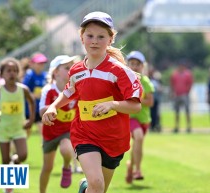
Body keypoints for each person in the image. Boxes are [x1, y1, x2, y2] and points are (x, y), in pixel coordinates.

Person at [42, 11, 142, 193]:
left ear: (110, 39)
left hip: (114, 140)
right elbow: (68, 92)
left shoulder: (119, 71)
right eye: (90, 35)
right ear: (82, 38)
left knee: (98, 189)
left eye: (101, 36)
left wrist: (112, 105)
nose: (94, 41)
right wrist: (53, 107)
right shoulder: (76, 71)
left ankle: (84, 189)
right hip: (85, 134)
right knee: (97, 184)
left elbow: (136, 106)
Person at [0, 57, 35, 193]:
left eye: (15, 70)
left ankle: (15, 161)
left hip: (18, 128)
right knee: (4, 159)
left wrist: (31, 120)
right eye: (8, 71)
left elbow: (32, 102)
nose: (12, 73)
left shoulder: (23, 89)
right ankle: (8, 187)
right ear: (2, 74)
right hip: (3, 128)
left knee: (23, 155)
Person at [39, 55, 78, 193]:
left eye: (71, 67)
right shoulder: (48, 90)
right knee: (47, 167)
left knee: (66, 149)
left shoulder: (76, 89)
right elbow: (41, 111)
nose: (70, 70)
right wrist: (52, 108)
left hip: (67, 131)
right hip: (49, 133)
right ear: (56, 72)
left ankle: (67, 166)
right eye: (66, 68)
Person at [125, 51, 154, 184]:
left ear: (142, 66)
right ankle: (137, 170)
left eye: (137, 64)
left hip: (144, 118)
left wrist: (137, 100)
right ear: (127, 65)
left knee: (137, 143)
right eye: (132, 64)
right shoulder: (124, 81)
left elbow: (150, 102)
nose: (134, 67)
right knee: (139, 137)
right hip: (130, 117)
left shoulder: (146, 82)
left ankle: (130, 167)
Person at [22, 52, 48, 137]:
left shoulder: (45, 76)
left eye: (43, 63)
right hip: (28, 110)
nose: (41, 65)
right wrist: (35, 95)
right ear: (32, 64)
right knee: (26, 133)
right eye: (39, 63)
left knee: (43, 131)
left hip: (39, 109)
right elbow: (23, 91)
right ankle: (16, 149)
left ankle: (45, 149)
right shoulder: (30, 75)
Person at [170, 60, 193, 133]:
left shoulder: (187, 74)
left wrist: (187, 91)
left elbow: (190, 83)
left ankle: (188, 126)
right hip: (177, 95)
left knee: (187, 111)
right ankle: (176, 126)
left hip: (184, 94)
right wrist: (172, 92)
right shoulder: (175, 74)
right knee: (177, 112)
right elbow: (172, 84)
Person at [149, 67, 162, 132]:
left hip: (156, 99)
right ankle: (151, 126)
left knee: (156, 113)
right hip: (150, 99)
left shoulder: (156, 80)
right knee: (150, 113)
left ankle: (156, 126)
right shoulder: (148, 79)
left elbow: (160, 88)